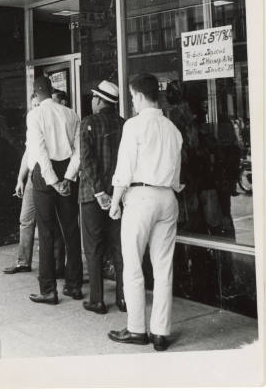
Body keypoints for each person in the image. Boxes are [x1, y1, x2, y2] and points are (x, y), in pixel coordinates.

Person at [108, 73, 183, 351]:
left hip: (140, 198)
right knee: (164, 268)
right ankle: (160, 332)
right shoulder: (173, 130)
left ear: (139, 96)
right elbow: (176, 176)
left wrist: (115, 202)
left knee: (133, 265)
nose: (132, 102)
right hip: (167, 197)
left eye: (131, 97)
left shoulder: (134, 126)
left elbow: (124, 169)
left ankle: (136, 328)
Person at [27, 76, 83, 304]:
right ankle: (74, 285)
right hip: (67, 171)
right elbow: (78, 152)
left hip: (45, 175)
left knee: (47, 233)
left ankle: (48, 290)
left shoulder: (34, 115)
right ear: (51, 90)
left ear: (36, 92)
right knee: (71, 231)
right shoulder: (71, 114)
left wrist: (52, 181)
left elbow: (40, 152)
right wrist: (67, 178)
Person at [3, 93, 66, 276]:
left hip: (48, 175)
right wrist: (20, 179)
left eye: (38, 104)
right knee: (26, 219)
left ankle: (56, 266)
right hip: (32, 176)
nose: (36, 108)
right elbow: (27, 154)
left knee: (52, 222)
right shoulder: (33, 125)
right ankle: (23, 261)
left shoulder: (51, 124)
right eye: (33, 105)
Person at [79, 80, 126, 314]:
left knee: (93, 248)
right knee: (120, 248)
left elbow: (87, 162)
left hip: (91, 197)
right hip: (119, 197)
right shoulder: (124, 124)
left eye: (93, 98)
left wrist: (99, 192)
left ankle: (97, 300)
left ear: (99, 100)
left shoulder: (88, 122)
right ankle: (124, 297)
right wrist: (112, 195)